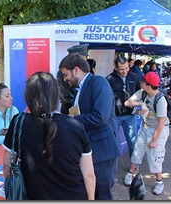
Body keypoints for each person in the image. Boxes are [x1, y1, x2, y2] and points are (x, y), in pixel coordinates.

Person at [3, 72, 96, 200]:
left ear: (28, 97)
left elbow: (7, 164)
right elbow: (89, 175)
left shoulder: (19, 122)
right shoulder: (75, 126)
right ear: (56, 95)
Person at [59, 54, 121, 200]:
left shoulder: (99, 82)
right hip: (90, 150)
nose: (65, 79)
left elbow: (100, 117)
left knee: (102, 194)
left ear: (76, 70)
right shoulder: (79, 89)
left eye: (65, 74)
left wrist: (72, 120)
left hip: (103, 151)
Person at [123, 72, 169, 196]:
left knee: (155, 156)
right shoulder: (143, 93)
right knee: (137, 150)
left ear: (148, 85)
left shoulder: (161, 100)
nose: (140, 83)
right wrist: (140, 104)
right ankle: (130, 173)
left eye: (142, 82)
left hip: (158, 130)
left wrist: (154, 140)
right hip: (145, 127)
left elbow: (161, 124)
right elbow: (127, 103)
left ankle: (159, 181)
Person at [106, 56, 141, 158]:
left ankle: (135, 168)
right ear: (115, 68)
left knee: (133, 142)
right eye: (121, 69)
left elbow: (141, 92)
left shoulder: (134, 77)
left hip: (131, 116)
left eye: (127, 68)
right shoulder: (109, 79)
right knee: (113, 142)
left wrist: (139, 104)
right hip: (114, 116)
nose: (125, 71)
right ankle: (112, 168)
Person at [57, 44, 88, 114]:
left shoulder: (81, 71)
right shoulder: (64, 72)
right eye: (83, 57)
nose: (85, 60)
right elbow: (66, 94)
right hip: (70, 108)